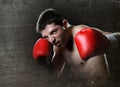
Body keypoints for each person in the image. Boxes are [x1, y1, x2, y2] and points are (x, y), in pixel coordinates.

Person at [33, 8, 120, 87]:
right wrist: (45, 63)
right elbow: (55, 72)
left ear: (64, 24)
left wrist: (107, 41)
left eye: (53, 32)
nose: (51, 40)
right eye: (46, 37)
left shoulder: (81, 31)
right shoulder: (57, 47)